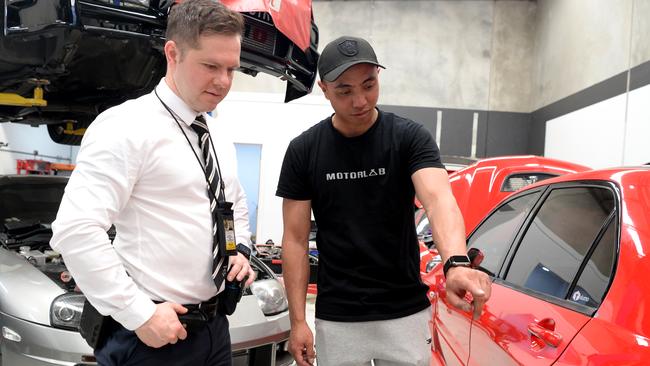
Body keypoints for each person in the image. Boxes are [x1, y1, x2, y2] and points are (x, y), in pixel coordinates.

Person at [50, 1, 255, 365]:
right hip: (152, 338)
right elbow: (75, 229)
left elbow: (232, 202)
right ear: (172, 53)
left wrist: (238, 249)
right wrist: (139, 313)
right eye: (210, 66)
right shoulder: (126, 127)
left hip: (215, 330)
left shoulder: (216, 134)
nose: (223, 81)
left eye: (231, 69)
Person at [276, 36, 492, 366]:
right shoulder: (304, 151)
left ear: (378, 76)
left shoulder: (408, 138)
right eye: (344, 91)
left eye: (369, 85)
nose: (360, 100)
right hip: (338, 318)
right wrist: (297, 322)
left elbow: (438, 201)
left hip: (404, 312)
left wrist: (456, 263)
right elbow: (294, 240)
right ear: (324, 89)